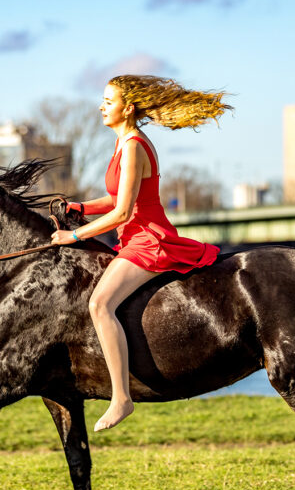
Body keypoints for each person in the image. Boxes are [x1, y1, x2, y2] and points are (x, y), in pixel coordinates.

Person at [50, 74, 232, 431]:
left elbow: (121, 212)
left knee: (99, 304)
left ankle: (121, 398)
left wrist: (75, 235)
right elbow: (119, 199)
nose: (101, 106)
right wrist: (80, 206)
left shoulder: (133, 145)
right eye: (102, 100)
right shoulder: (123, 143)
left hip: (149, 240)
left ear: (128, 108)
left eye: (108, 101)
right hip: (134, 236)